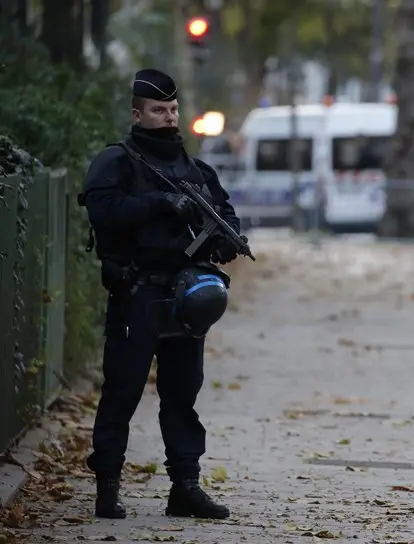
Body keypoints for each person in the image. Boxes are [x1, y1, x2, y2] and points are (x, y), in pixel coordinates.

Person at [79, 69, 246, 520]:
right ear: (138, 113)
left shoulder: (195, 169)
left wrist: (225, 240)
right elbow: (102, 210)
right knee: (123, 393)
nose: (168, 117)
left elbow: (225, 211)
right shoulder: (118, 162)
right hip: (137, 295)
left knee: (182, 396)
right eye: (158, 110)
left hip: (186, 300)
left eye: (173, 110)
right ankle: (108, 487)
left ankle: (185, 487)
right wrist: (158, 204)